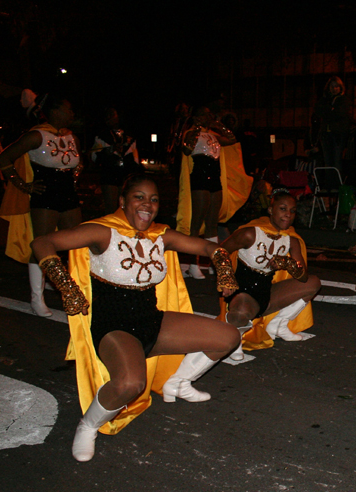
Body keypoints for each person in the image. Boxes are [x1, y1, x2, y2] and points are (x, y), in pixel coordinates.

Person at [30, 175, 242, 461]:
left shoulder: (161, 235)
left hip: (151, 320)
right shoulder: (103, 231)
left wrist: (224, 269)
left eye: (153, 199)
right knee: (130, 384)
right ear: (122, 201)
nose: (147, 205)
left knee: (228, 336)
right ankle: (88, 425)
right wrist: (65, 285)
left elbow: (209, 247)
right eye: (139, 197)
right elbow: (42, 241)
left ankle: (178, 383)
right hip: (114, 327)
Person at [0, 94, 83, 317]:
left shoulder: (72, 136)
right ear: (54, 111)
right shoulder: (36, 135)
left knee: (77, 244)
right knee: (41, 245)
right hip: (45, 196)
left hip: (69, 196)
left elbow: (77, 163)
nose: (72, 113)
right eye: (68, 109)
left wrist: (75, 177)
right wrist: (23, 185)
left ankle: (74, 290)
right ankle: (37, 298)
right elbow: (4, 158)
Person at [219, 189, 321, 363]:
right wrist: (225, 278)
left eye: (292, 211)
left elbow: (303, 277)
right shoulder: (250, 233)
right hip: (242, 293)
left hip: (266, 294)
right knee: (242, 310)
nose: (288, 215)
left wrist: (287, 263)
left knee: (313, 282)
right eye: (283, 209)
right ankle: (235, 339)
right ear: (270, 210)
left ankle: (279, 324)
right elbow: (219, 252)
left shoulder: (291, 240)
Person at [176, 106, 240, 279]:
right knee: (196, 223)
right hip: (200, 174)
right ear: (197, 117)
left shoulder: (213, 134)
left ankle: (213, 262)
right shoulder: (191, 133)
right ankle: (193, 263)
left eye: (209, 114)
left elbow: (232, 139)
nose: (209, 116)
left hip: (214, 175)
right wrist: (197, 128)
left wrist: (219, 125)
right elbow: (186, 150)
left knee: (212, 222)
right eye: (205, 114)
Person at [90, 107, 140, 214]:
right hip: (109, 175)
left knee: (125, 209)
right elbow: (94, 156)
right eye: (107, 115)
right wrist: (110, 150)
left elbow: (135, 160)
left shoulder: (129, 136)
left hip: (125, 176)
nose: (109, 118)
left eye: (112, 115)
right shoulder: (102, 136)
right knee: (111, 209)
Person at [313, 76, 352, 174]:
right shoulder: (325, 99)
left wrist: (328, 111)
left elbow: (338, 113)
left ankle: (336, 181)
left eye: (336, 86)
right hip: (326, 134)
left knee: (336, 160)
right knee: (328, 161)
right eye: (332, 86)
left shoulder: (343, 100)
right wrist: (330, 110)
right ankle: (329, 181)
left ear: (340, 87)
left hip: (337, 135)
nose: (334, 89)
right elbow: (317, 110)